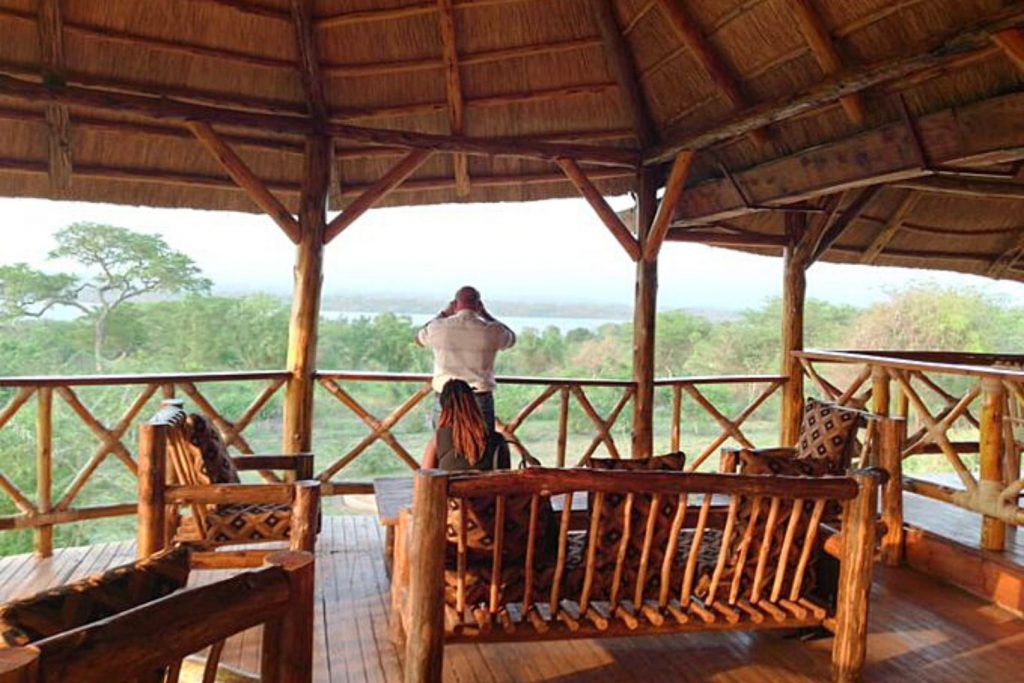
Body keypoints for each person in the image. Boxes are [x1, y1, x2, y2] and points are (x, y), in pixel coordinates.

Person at [415, 285, 515, 434]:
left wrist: (443, 313)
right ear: (479, 305)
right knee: (481, 448)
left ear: (455, 305)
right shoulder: (492, 330)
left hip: (446, 396)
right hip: (479, 397)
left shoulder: (438, 327)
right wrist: (486, 315)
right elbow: (511, 338)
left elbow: (419, 338)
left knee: (443, 445)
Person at [422, 379, 510, 471]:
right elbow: (506, 475)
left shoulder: (439, 439)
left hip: (451, 485)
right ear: (474, 403)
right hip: (486, 485)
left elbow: (425, 476)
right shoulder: (497, 440)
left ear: (444, 408)